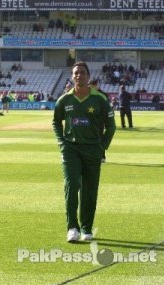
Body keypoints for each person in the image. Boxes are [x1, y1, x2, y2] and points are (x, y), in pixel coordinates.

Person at [53, 61, 116, 242]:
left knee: (90, 190)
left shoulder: (99, 99)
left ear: (88, 76)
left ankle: (86, 228)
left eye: (82, 72)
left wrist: (101, 146)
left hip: (92, 150)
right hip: (70, 149)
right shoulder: (64, 100)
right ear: (72, 77)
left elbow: (111, 127)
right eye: (76, 73)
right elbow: (56, 122)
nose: (79, 75)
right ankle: (72, 227)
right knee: (71, 186)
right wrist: (62, 143)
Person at [88, 78, 110, 163]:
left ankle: (102, 156)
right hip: (89, 120)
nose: (90, 88)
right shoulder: (87, 93)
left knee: (100, 138)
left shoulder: (103, 95)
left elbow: (107, 108)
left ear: (96, 85)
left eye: (92, 86)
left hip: (99, 120)